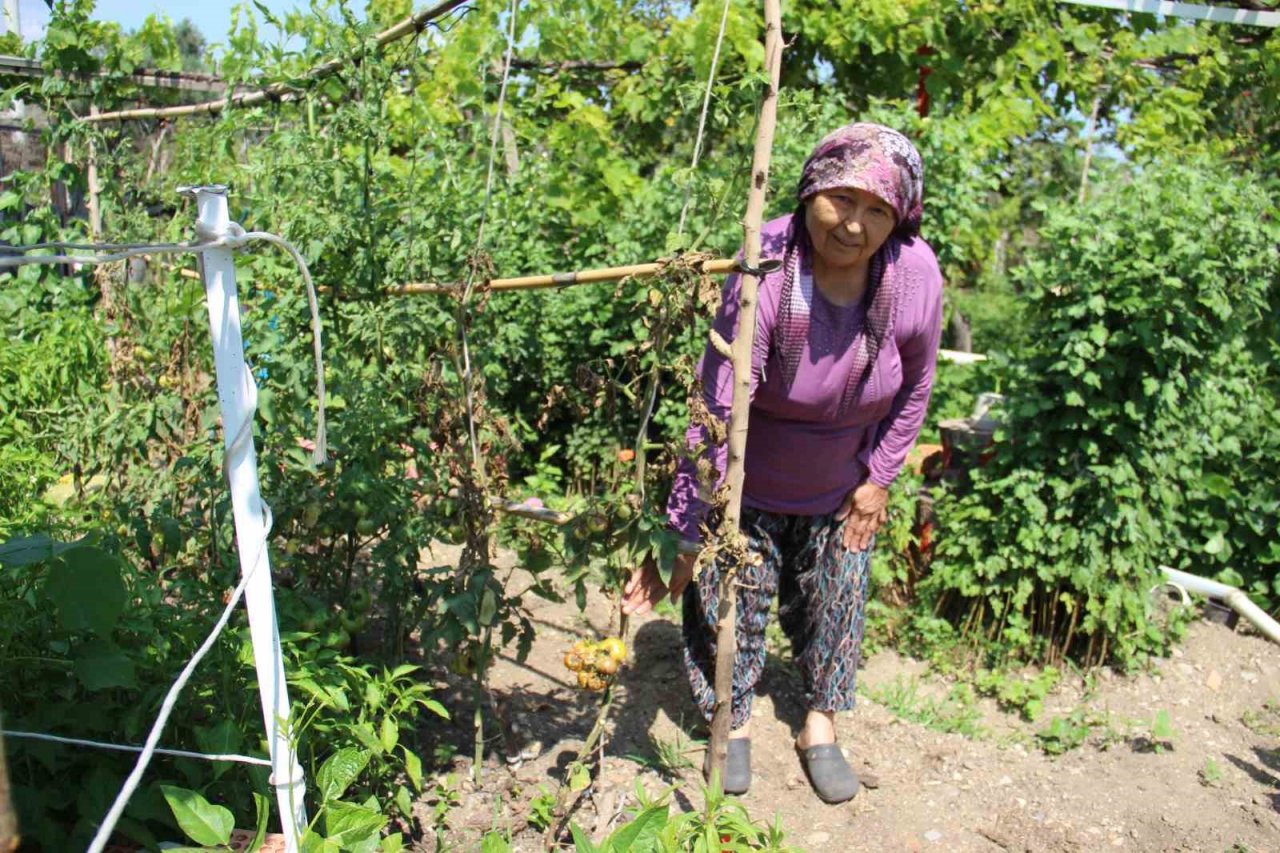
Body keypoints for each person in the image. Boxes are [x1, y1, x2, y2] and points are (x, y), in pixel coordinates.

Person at [621, 122, 943, 804]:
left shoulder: (913, 275)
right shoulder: (768, 260)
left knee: (842, 593)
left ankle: (819, 723)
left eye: (877, 209)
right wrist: (686, 531)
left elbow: (916, 385)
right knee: (723, 593)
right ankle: (730, 719)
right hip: (749, 481)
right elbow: (715, 405)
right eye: (840, 200)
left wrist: (880, 477)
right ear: (808, 192)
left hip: (842, 483)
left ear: (899, 217)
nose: (854, 224)